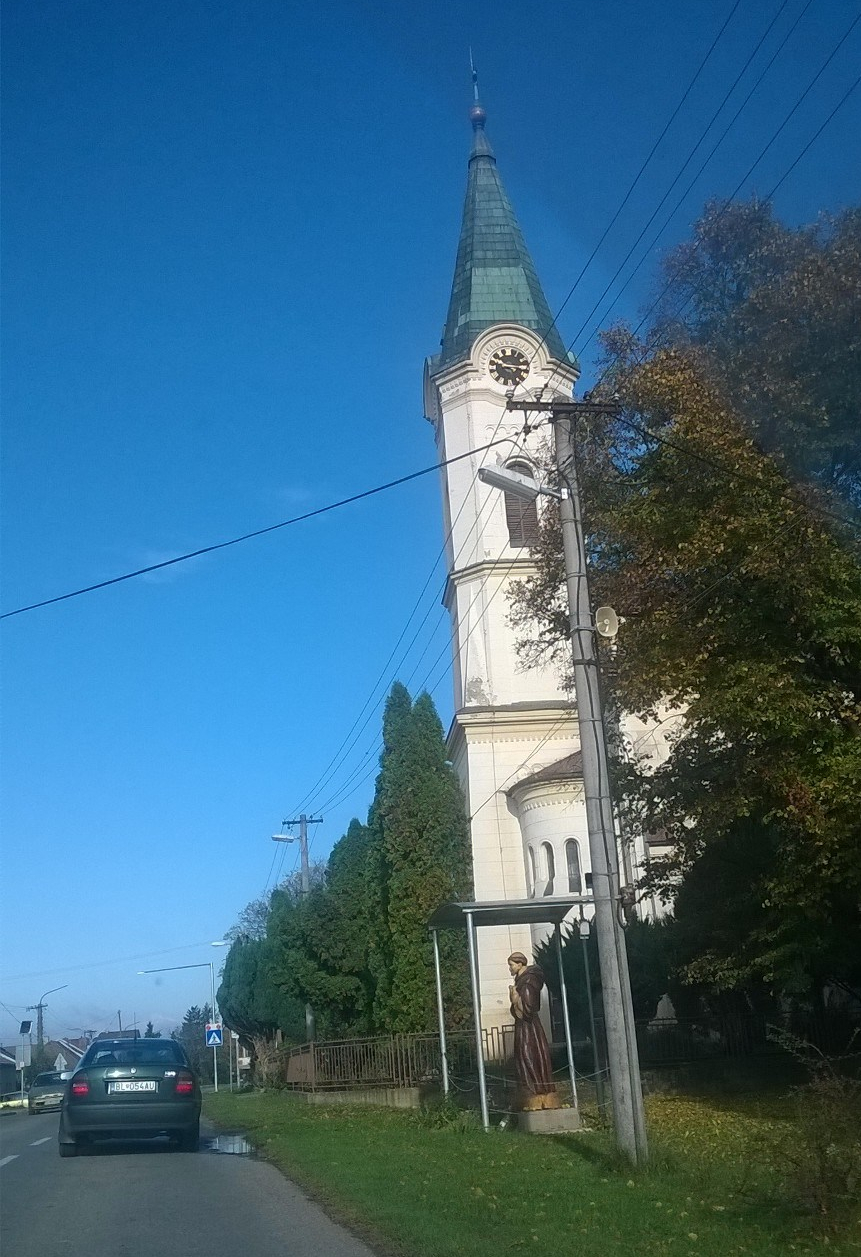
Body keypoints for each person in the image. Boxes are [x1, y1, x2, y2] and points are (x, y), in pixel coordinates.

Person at [508, 952, 560, 1111]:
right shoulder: (522, 980)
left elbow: (529, 1007)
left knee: (528, 1053)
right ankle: (531, 1089)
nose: (510, 968)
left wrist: (516, 999)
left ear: (520, 964)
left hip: (529, 1026)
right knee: (524, 1055)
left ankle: (537, 1088)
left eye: (511, 965)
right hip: (524, 1025)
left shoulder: (528, 981)